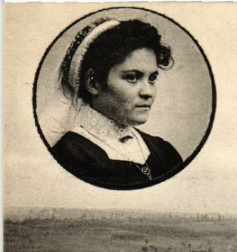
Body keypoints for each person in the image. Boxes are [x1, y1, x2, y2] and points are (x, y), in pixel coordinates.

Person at [51, 18, 183, 188]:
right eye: (132, 77)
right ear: (93, 83)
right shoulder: (71, 154)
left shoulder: (163, 151)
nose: (148, 92)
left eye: (152, 79)